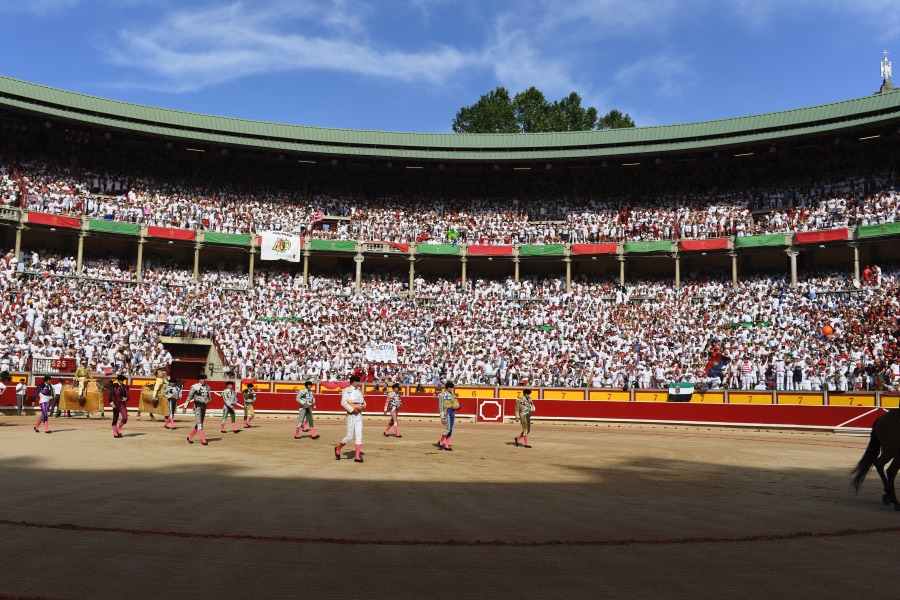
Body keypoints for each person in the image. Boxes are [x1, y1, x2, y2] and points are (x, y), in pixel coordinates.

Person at [334, 375, 365, 463]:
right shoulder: (346, 390)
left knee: (359, 435)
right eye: (357, 381)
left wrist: (362, 407)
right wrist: (352, 410)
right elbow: (343, 403)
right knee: (349, 437)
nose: (358, 383)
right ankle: (338, 448)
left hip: (359, 414)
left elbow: (362, 402)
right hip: (351, 414)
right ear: (353, 382)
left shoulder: (359, 391)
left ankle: (357, 456)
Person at [185, 374, 212, 445]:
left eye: (204, 379)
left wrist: (208, 401)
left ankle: (190, 437)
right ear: (199, 380)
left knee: (199, 423)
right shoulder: (194, 386)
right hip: (197, 407)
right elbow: (189, 397)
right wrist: (185, 406)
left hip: (204, 407)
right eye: (202, 379)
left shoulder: (207, 387)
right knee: (200, 424)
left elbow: (210, 398)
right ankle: (203, 440)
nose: (203, 380)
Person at [437, 381, 460, 451]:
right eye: (451, 388)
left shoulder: (452, 395)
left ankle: (447, 445)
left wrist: (457, 407)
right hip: (446, 413)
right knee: (448, 429)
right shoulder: (441, 395)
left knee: (450, 430)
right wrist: (442, 417)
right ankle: (441, 442)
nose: (452, 390)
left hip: (452, 413)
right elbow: (440, 407)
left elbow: (457, 404)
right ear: (448, 388)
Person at [108, 374, 129, 439]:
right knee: (115, 418)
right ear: (119, 380)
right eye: (121, 380)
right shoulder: (114, 386)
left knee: (125, 418)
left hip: (122, 404)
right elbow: (110, 395)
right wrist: (111, 403)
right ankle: (115, 432)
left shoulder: (124, 387)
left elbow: (127, 395)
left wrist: (126, 398)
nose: (122, 381)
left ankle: (118, 429)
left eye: (123, 380)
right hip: (116, 404)